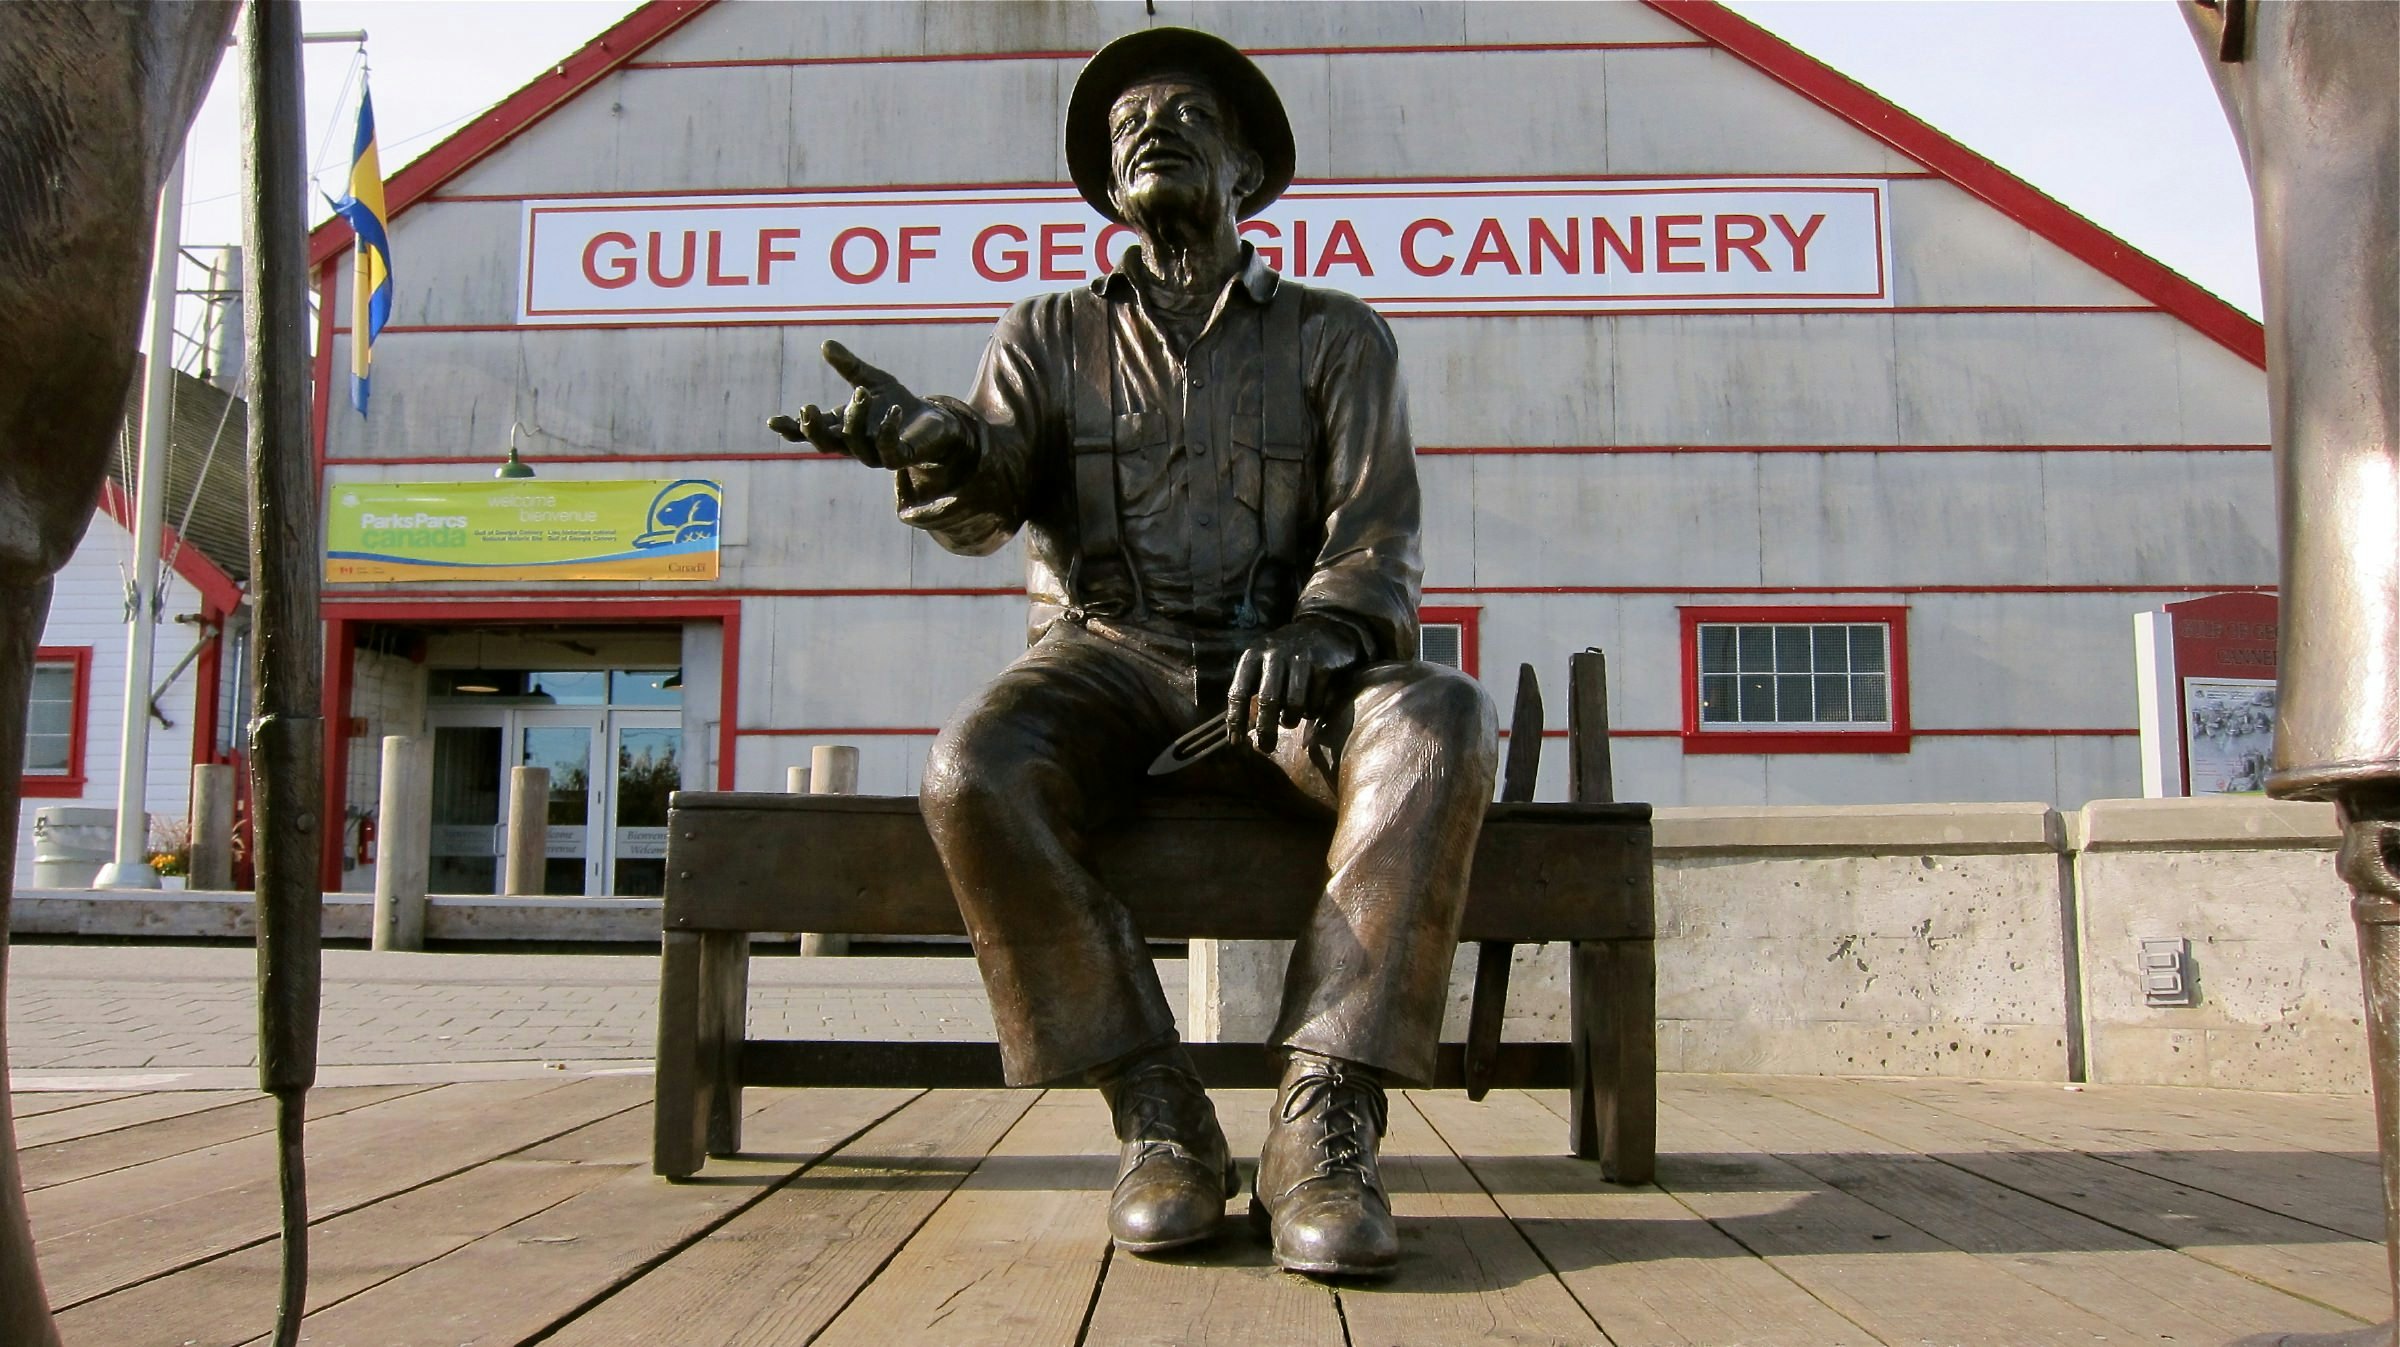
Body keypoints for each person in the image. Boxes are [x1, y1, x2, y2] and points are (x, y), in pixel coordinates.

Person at [770, 27, 1497, 1277]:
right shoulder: (1046, 333)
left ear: (1252, 176)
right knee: (971, 766)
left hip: (1288, 685)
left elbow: (1377, 548)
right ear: (1110, 190)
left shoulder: (1339, 339)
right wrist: (938, 443)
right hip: (1108, 665)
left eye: (1186, 118)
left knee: (1438, 717)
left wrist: (1323, 638)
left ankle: (1325, 1122)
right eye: (1125, 130)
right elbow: (992, 489)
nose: (1148, 131)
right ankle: (1154, 1112)